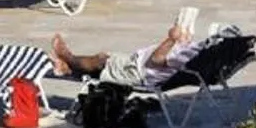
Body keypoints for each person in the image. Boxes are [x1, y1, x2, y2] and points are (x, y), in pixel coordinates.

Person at [50, 20, 216, 90]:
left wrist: (171, 39)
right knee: (105, 60)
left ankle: (67, 58)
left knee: (102, 60)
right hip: (139, 65)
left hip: (139, 71)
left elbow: (157, 59)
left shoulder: (194, 58)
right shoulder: (204, 55)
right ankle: (69, 69)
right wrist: (184, 41)